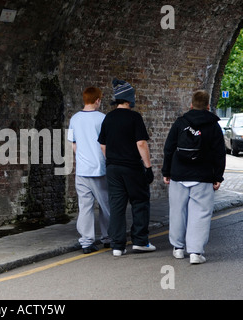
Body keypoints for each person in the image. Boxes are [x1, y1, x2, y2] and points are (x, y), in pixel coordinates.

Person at [162, 90, 226, 264]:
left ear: (191, 104)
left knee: (177, 212)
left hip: (179, 174)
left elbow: (169, 149)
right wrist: (218, 176)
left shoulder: (180, 123)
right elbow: (219, 153)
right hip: (203, 176)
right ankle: (196, 253)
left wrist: (166, 172)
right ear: (207, 106)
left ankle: (178, 248)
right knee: (200, 214)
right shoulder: (213, 126)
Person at [98, 79, 156, 257]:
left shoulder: (108, 117)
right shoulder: (134, 117)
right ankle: (140, 241)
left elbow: (102, 145)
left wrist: (112, 160)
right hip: (132, 167)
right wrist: (148, 167)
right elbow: (141, 143)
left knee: (117, 205)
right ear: (130, 100)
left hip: (113, 168)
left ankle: (117, 245)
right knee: (140, 201)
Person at [68, 87, 111, 254]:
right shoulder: (102, 119)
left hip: (82, 169)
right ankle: (108, 237)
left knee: (85, 206)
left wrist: (81, 157)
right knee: (106, 205)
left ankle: (86, 242)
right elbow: (105, 145)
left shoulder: (74, 119)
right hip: (99, 168)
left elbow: (73, 143)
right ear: (97, 100)